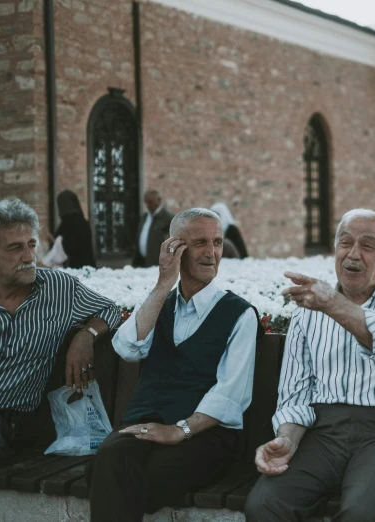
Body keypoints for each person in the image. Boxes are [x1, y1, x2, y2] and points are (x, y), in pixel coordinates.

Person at [245, 209, 375, 522]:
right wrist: (287, 439)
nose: (353, 254)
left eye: (368, 246)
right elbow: (296, 393)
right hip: (324, 435)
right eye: (345, 243)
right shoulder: (308, 313)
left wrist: (332, 305)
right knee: (265, 505)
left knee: (363, 512)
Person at [88, 208, 263, 522]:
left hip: (208, 434)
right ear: (175, 247)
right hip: (147, 422)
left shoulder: (240, 314)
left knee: (121, 474)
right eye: (200, 243)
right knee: (109, 460)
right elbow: (127, 348)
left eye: (218, 243)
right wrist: (162, 283)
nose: (212, 253)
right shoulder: (160, 303)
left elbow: (231, 393)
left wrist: (179, 430)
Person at [0, 198, 121, 480]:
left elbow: (111, 309)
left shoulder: (59, 289)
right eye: (15, 248)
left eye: (31, 245)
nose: (28, 256)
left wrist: (86, 335)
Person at [54, 190, 96, 268]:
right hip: (89, 266)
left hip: (75, 268)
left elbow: (66, 247)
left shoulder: (67, 223)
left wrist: (53, 240)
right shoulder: (84, 222)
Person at [133, 189, 173, 267]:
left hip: (158, 265)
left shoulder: (167, 218)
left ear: (159, 200)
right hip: (142, 263)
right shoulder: (144, 217)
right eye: (146, 202)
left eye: (150, 202)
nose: (148, 205)